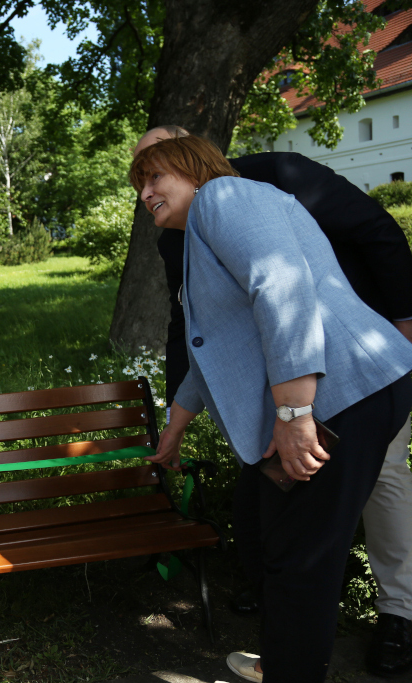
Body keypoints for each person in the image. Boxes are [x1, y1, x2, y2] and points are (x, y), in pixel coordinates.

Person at [131, 135, 412, 683]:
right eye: (139, 184)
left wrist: (292, 416)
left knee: (301, 557)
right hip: (324, 398)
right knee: (265, 537)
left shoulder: (225, 198)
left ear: (194, 167)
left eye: (154, 176)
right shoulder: (196, 236)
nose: (145, 193)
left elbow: (281, 287)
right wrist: (177, 425)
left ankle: (291, 668)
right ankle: (288, 657)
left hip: (345, 393)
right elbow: (210, 345)